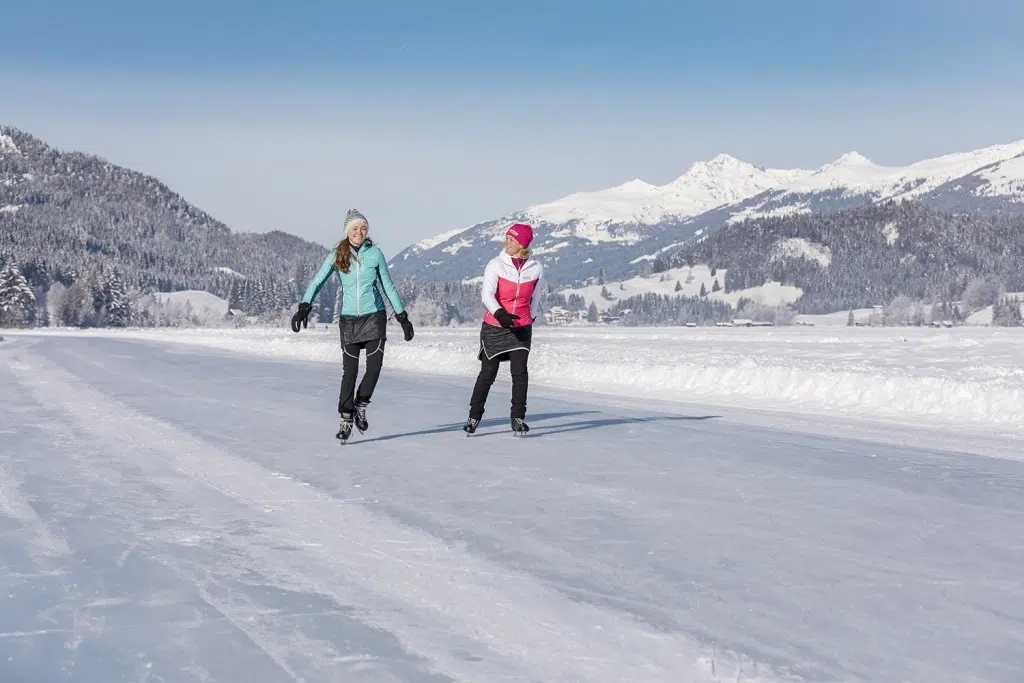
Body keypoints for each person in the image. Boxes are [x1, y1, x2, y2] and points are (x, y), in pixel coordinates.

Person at [290, 208, 414, 441]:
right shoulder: (338, 253)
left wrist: (402, 316)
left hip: (374, 316)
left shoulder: (375, 254)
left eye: (363, 228)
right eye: (355, 228)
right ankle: (346, 417)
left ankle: (361, 404)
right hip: (349, 320)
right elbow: (318, 280)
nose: (359, 232)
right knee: (351, 372)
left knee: (374, 368)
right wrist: (304, 306)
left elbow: (387, 285)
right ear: (347, 231)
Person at [463, 222, 544, 437]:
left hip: (521, 327)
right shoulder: (496, 264)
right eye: (507, 239)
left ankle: (518, 418)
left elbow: (536, 298)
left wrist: (530, 319)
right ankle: (474, 416)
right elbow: (487, 295)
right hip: (495, 326)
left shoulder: (536, 268)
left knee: (520, 373)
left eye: (511, 240)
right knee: (488, 373)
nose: (506, 242)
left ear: (521, 244)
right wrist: (500, 314)